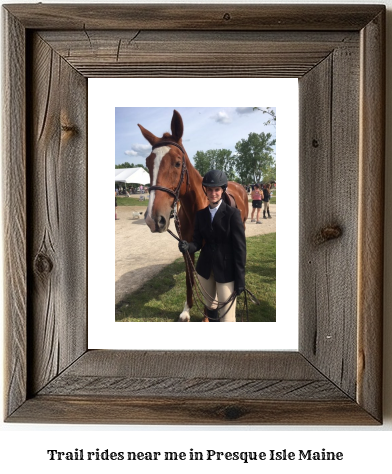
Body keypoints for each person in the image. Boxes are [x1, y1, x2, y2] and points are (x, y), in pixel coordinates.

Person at [178, 170, 246, 322]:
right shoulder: (201, 215)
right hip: (205, 269)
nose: (213, 193)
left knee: (227, 318)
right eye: (210, 189)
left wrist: (240, 278)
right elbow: (197, 242)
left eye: (217, 189)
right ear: (206, 191)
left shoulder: (233, 214)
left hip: (226, 271)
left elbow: (240, 249)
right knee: (210, 308)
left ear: (222, 190)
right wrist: (187, 246)